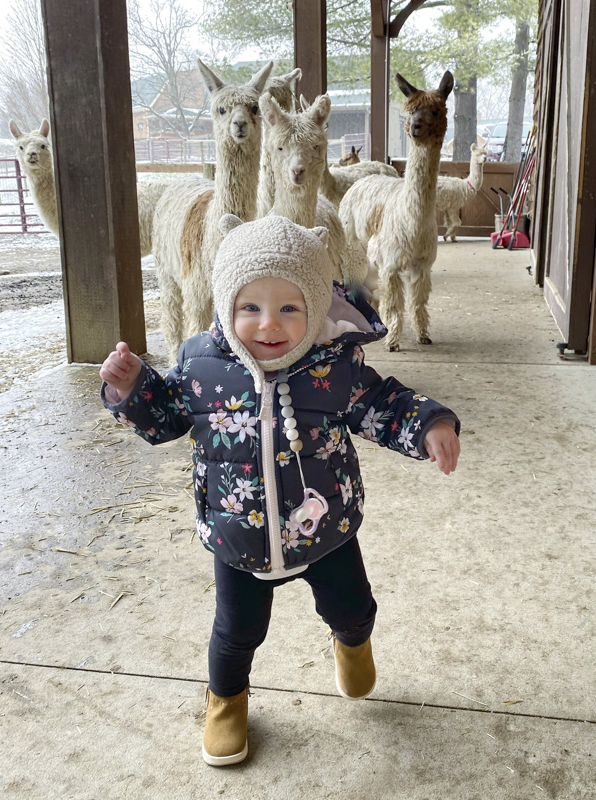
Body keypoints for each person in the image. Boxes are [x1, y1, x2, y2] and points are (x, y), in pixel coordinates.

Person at [100, 214, 461, 767]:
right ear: (225, 305)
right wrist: (131, 388)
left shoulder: (333, 366)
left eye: (290, 308)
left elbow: (382, 403)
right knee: (236, 632)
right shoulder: (200, 365)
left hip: (328, 529)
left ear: (316, 306)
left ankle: (352, 641)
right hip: (238, 535)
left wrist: (428, 423)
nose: (269, 324)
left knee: (353, 607)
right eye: (250, 307)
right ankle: (226, 701)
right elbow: (165, 416)